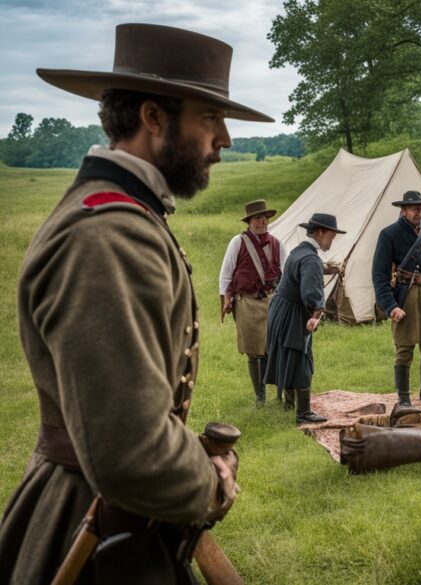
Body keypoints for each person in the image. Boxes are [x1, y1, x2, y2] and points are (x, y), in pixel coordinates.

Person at [0, 23, 271, 583]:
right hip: (94, 530)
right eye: (209, 118)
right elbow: (128, 452)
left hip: (117, 518)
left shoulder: (125, 217)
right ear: (153, 117)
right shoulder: (107, 236)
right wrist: (210, 482)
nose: (225, 139)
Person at [371, 190, 421, 406]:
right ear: (403, 210)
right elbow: (379, 275)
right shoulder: (389, 234)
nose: (420, 212)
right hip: (407, 296)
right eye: (415, 208)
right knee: (404, 347)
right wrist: (390, 306)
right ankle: (404, 398)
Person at [265, 213, 345, 424]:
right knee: (301, 357)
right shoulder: (310, 258)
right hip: (292, 312)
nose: (332, 239)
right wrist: (317, 312)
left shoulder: (299, 251)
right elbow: (310, 292)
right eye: (331, 234)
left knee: (290, 353)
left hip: (281, 308)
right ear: (319, 232)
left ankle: (290, 402)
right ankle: (303, 413)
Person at [219, 199, 287, 405]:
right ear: (249, 221)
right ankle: (260, 395)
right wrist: (226, 298)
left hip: (271, 300)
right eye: (257, 218)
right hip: (246, 302)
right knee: (252, 351)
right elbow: (225, 274)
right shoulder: (237, 243)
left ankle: (276, 391)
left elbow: (287, 271)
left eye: (265, 218)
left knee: (270, 348)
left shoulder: (277, 243)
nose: (262, 222)